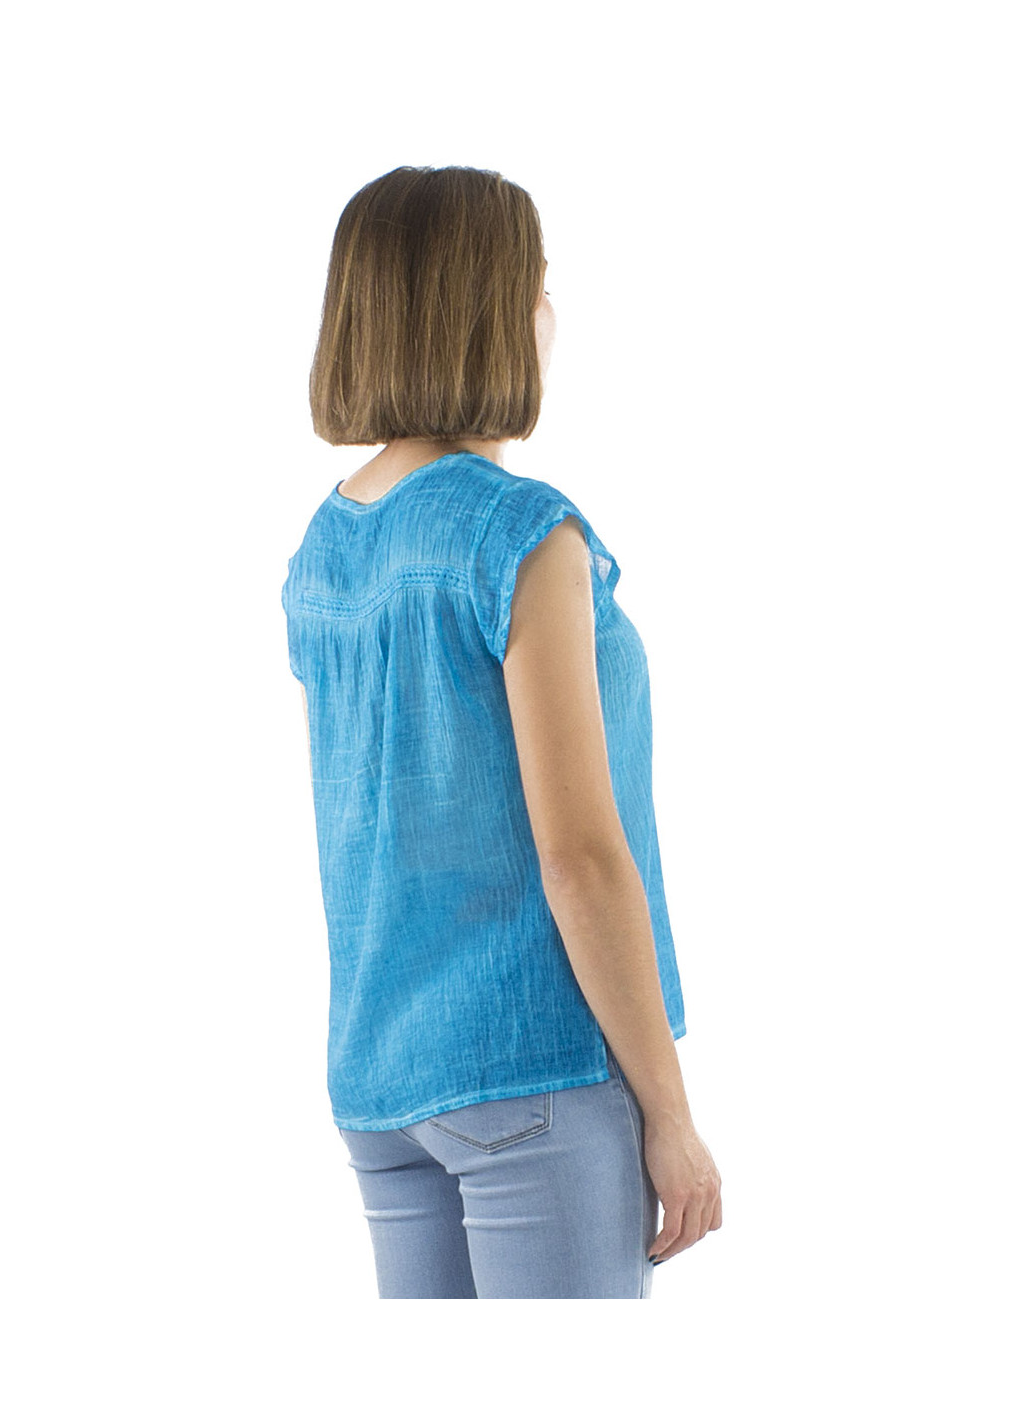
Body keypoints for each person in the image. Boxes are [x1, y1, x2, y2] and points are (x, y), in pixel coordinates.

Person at [281, 165, 722, 1298]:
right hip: (533, 1069)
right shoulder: (522, 534)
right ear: (485, 309)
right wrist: (670, 1116)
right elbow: (580, 857)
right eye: (537, 283)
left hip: (382, 1082)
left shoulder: (323, 550)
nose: (549, 310)